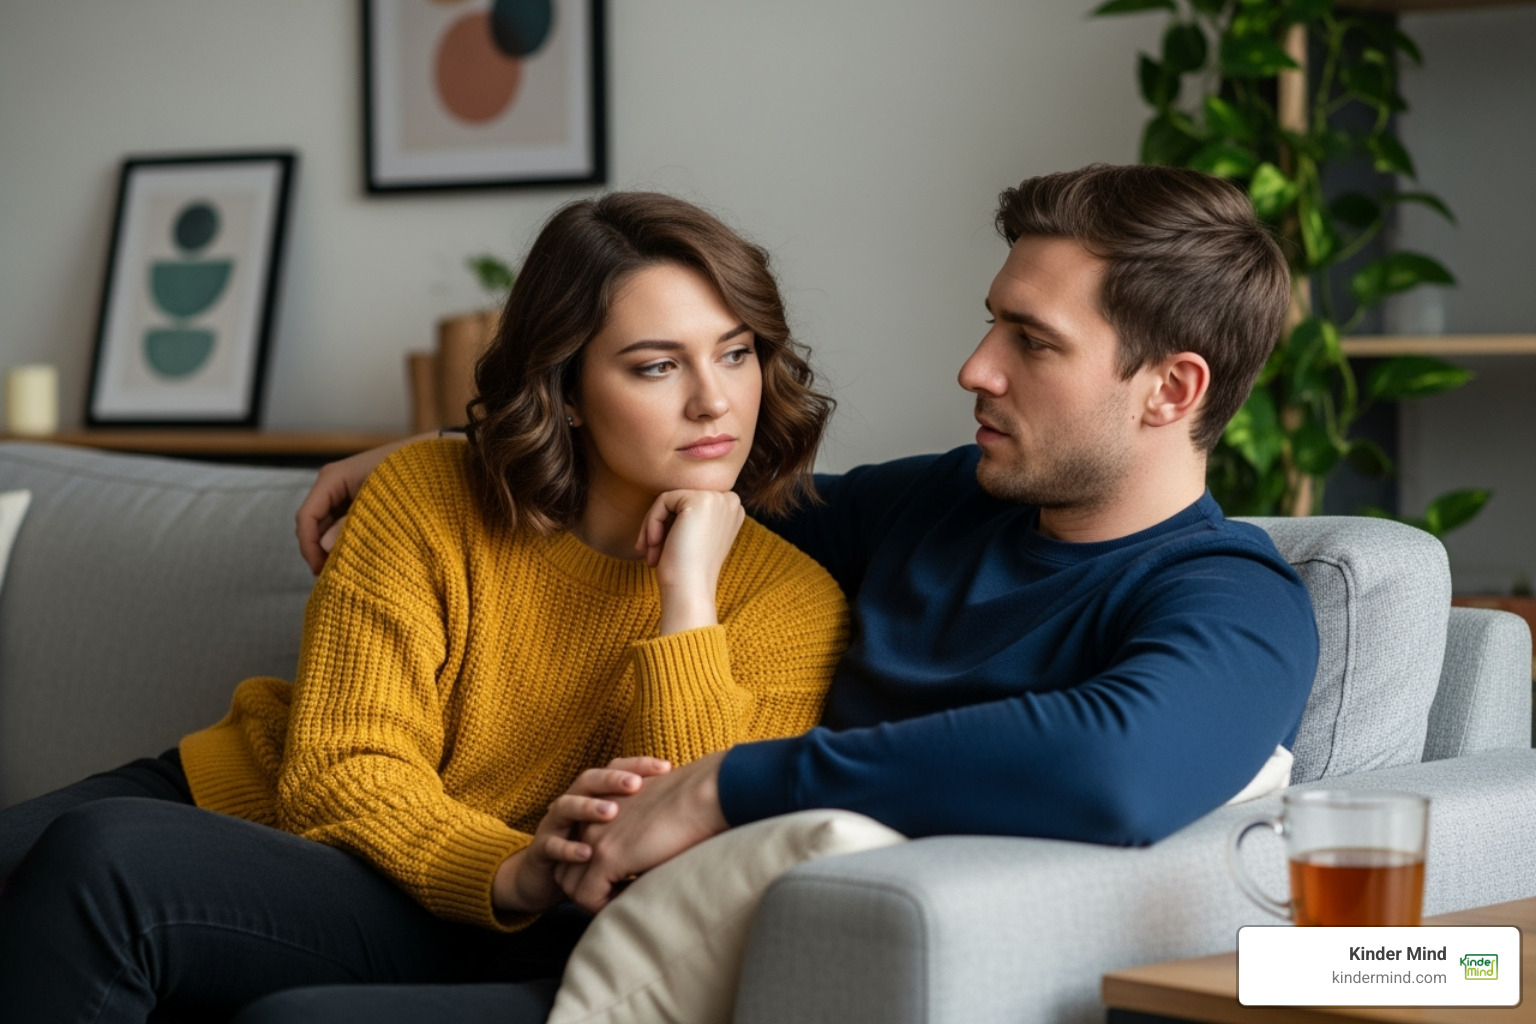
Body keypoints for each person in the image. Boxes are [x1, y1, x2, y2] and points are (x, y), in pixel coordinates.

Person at [300, 163, 1322, 917]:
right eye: (991, 323)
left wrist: (728, 783)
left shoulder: (1232, 598)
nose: (975, 368)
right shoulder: (939, 505)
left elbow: (1118, 771)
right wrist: (465, 447)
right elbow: (686, 478)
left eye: (1032, 341)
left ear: (1172, 389)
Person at [0, 192, 849, 1022]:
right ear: (565, 392)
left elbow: (679, 859)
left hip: (472, 912)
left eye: (735, 353)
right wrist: (511, 862)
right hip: (270, 805)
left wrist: (687, 598)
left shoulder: (791, 605)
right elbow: (341, 771)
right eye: (657, 366)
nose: (714, 401)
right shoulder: (425, 494)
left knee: (108, 860)